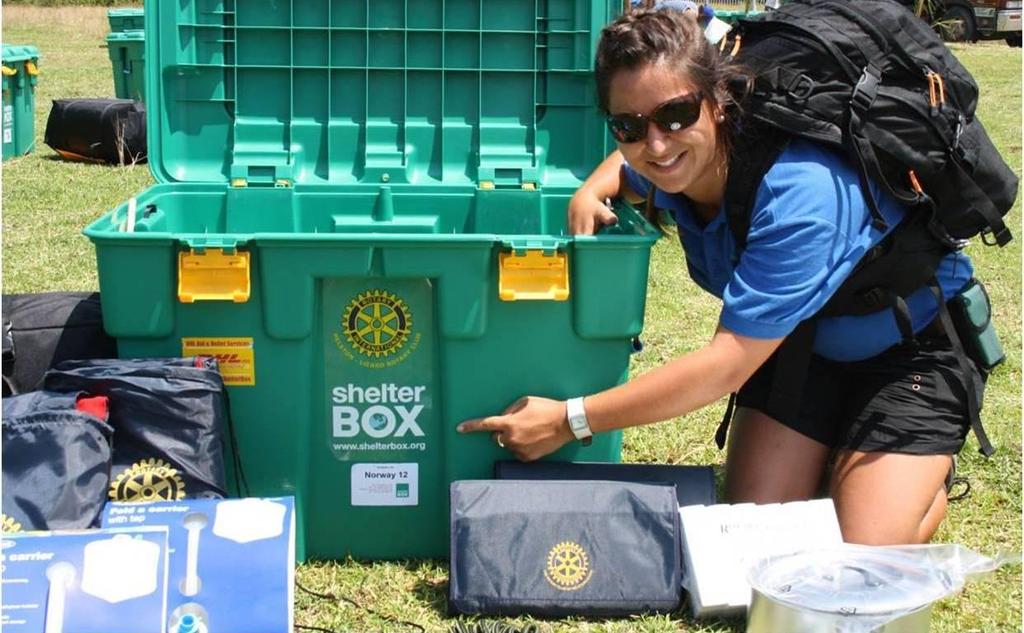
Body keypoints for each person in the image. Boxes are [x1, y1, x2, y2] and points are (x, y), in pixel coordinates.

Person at [458, 9, 985, 546]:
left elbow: (723, 368)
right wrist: (589, 191)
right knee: (758, 540)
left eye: (677, 114)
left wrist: (570, 419)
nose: (657, 144)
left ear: (717, 102)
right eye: (629, 125)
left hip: (906, 353)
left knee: (859, 557)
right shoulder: (673, 159)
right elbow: (628, 168)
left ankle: (916, 482)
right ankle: (845, 465)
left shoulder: (801, 195)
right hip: (797, 349)